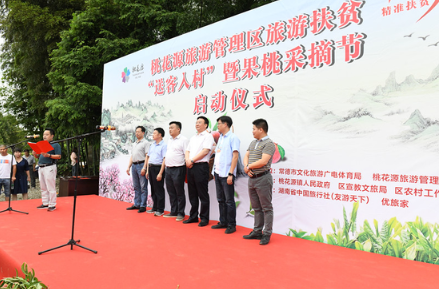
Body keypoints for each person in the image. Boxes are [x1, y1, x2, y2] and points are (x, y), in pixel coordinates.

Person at [243, 119, 276, 245]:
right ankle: (257, 231)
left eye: (254, 129)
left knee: (266, 208)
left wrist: (249, 166)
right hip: (252, 178)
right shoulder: (253, 142)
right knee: (256, 207)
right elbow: (246, 156)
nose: (252, 131)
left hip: (263, 178)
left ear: (261, 129)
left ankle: (267, 233)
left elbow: (263, 161)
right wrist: (247, 167)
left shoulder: (269, 143)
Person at [211, 116, 240, 234]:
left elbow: (235, 156)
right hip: (218, 173)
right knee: (220, 199)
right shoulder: (221, 138)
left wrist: (230, 173)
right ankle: (223, 221)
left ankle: (231, 224)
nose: (217, 126)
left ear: (226, 124)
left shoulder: (233, 138)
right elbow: (217, 155)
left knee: (229, 200)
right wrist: (213, 172)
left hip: (227, 173)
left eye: (219, 123)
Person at [184, 116, 215, 227]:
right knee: (192, 193)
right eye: (196, 122)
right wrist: (188, 160)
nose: (197, 124)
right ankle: (193, 217)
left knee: (202, 194)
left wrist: (192, 160)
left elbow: (206, 151)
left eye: (200, 122)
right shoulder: (193, 137)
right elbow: (187, 150)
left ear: (206, 125)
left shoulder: (208, 136)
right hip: (190, 166)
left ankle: (204, 218)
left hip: (201, 167)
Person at [164, 121, 188, 221]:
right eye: (169, 128)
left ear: (178, 129)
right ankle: (173, 211)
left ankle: (181, 213)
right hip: (168, 168)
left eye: (172, 128)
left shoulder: (184, 140)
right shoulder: (169, 140)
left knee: (179, 192)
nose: (170, 130)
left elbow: (187, 154)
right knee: (171, 191)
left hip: (178, 168)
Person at [35, 128, 61, 211]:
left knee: (50, 186)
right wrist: (35, 153)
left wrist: (49, 155)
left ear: (52, 136)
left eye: (47, 134)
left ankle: (52, 204)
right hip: (41, 167)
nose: (44, 136)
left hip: (49, 167)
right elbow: (38, 156)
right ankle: (45, 203)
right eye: (44, 134)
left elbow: (59, 156)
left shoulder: (55, 145)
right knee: (43, 186)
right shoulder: (42, 144)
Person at [126, 126, 149, 213]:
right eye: (136, 132)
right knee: (136, 186)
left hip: (141, 164)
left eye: (139, 132)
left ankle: (143, 205)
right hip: (134, 166)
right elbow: (132, 156)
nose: (137, 133)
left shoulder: (145, 143)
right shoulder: (134, 143)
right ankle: (137, 204)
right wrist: (128, 166)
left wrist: (144, 167)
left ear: (143, 133)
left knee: (143, 186)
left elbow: (147, 156)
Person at [145, 128, 167, 216]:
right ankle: (155, 207)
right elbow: (149, 158)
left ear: (160, 135)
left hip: (158, 168)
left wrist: (160, 173)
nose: (153, 135)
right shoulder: (152, 145)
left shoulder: (164, 145)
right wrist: (147, 171)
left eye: (154, 133)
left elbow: (164, 159)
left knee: (159, 189)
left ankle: (160, 209)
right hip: (150, 167)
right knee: (153, 188)